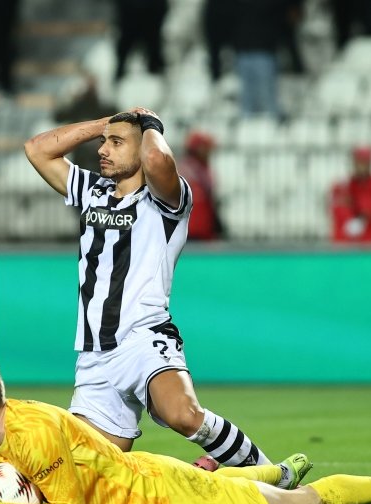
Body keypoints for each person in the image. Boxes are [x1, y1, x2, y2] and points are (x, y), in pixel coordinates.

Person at [0, 355, 371, 504]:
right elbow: (34, 489)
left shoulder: (32, 432)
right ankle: (274, 471)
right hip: (146, 495)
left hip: (159, 490)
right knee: (254, 491)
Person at [23, 108, 269, 468]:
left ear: (141, 149)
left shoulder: (166, 201)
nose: (103, 149)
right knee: (91, 468)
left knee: (183, 415)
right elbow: (37, 149)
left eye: (116, 143)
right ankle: (204, 476)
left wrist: (151, 124)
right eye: (105, 142)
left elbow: (155, 160)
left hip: (143, 338)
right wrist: (102, 124)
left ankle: (272, 476)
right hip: (94, 354)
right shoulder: (92, 190)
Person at [176, 130, 225, 241]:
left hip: (203, 230)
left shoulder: (203, 169)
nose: (208, 152)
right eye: (205, 148)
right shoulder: (186, 170)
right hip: (190, 230)